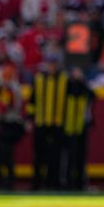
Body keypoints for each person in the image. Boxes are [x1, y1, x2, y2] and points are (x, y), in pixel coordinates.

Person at [0, 61, 26, 190]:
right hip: (3, 124)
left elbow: (5, 107)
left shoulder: (12, 89)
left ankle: (7, 182)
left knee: (6, 154)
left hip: (9, 124)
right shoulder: (3, 87)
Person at [29, 56, 67, 190]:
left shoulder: (64, 79)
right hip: (41, 122)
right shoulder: (39, 78)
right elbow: (32, 100)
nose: (51, 67)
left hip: (58, 122)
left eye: (54, 64)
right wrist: (30, 118)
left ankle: (54, 183)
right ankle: (36, 183)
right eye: (50, 64)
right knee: (39, 155)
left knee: (56, 155)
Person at [63, 66, 95, 190]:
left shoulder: (85, 89)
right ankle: (68, 181)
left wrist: (81, 81)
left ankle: (80, 182)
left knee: (81, 156)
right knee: (69, 156)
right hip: (69, 126)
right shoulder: (67, 86)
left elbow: (92, 95)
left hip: (81, 125)